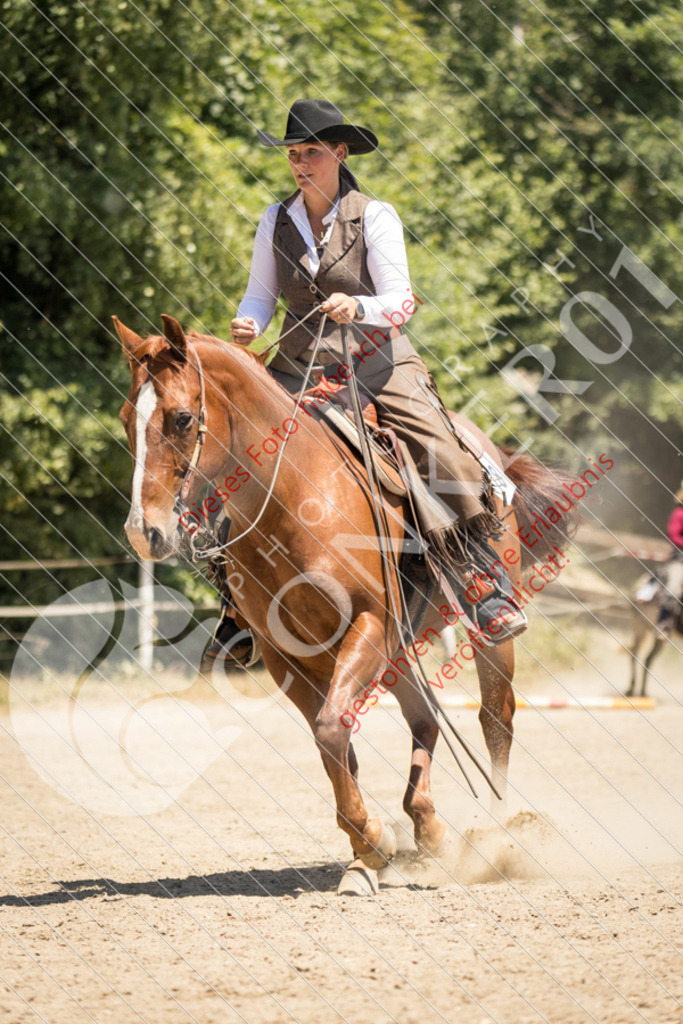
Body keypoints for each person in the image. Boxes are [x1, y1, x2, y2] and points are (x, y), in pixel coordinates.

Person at [205, 98, 526, 667]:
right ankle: (238, 603)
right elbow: (260, 294)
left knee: (438, 449)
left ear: (339, 153)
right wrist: (249, 322)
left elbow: (401, 301)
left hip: (379, 365)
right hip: (297, 367)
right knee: (225, 455)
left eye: (311, 153)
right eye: (293, 154)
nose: (300, 163)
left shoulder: (374, 215)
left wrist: (359, 305)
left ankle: (482, 581)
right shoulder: (272, 220)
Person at [656, 483, 683, 634]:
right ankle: (663, 623)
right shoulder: (679, 513)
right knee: (673, 587)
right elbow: (673, 536)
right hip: (679, 560)